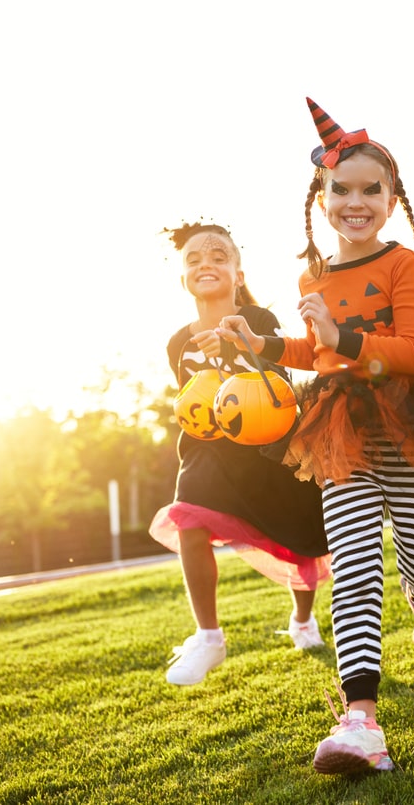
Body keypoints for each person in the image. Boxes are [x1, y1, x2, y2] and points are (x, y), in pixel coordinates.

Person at [220, 99, 414, 775]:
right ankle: (362, 721)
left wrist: (341, 336)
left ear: (391, 197)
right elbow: (316, 354)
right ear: (320, 199)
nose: (355, 201)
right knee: (352, 572)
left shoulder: (405, 265)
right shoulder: (312, 275)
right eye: (340, 190)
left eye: (369, 189)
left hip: (405, 428)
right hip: (339, 436)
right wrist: (263, 343)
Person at [149, 222, 331, 687]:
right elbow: (191, 402)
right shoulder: (176, 342)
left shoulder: (260, 322)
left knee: (301, 541)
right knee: (189, 517)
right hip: (208, 452)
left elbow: (278, 386)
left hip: (271, 450)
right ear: (182, 279)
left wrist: (234, 345)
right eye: (193, 259)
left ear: (238, 271)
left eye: (217, 257)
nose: (205, 264)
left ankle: (302, 620)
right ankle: (208, 636)